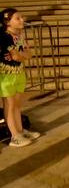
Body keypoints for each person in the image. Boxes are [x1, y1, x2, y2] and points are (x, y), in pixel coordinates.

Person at [0, 8, 40, 147]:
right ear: (7, 22)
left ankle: (21, 131)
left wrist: (21, 56)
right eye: (17, 18)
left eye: (21, 17)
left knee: (17, 104)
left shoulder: (19, 35)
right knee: (10, 105)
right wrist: (22, 56)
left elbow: (28, 53)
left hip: (18, 72)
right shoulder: (4, 36)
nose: (22, 20)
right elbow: (17, 55)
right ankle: (14, 136)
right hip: (6, 75)